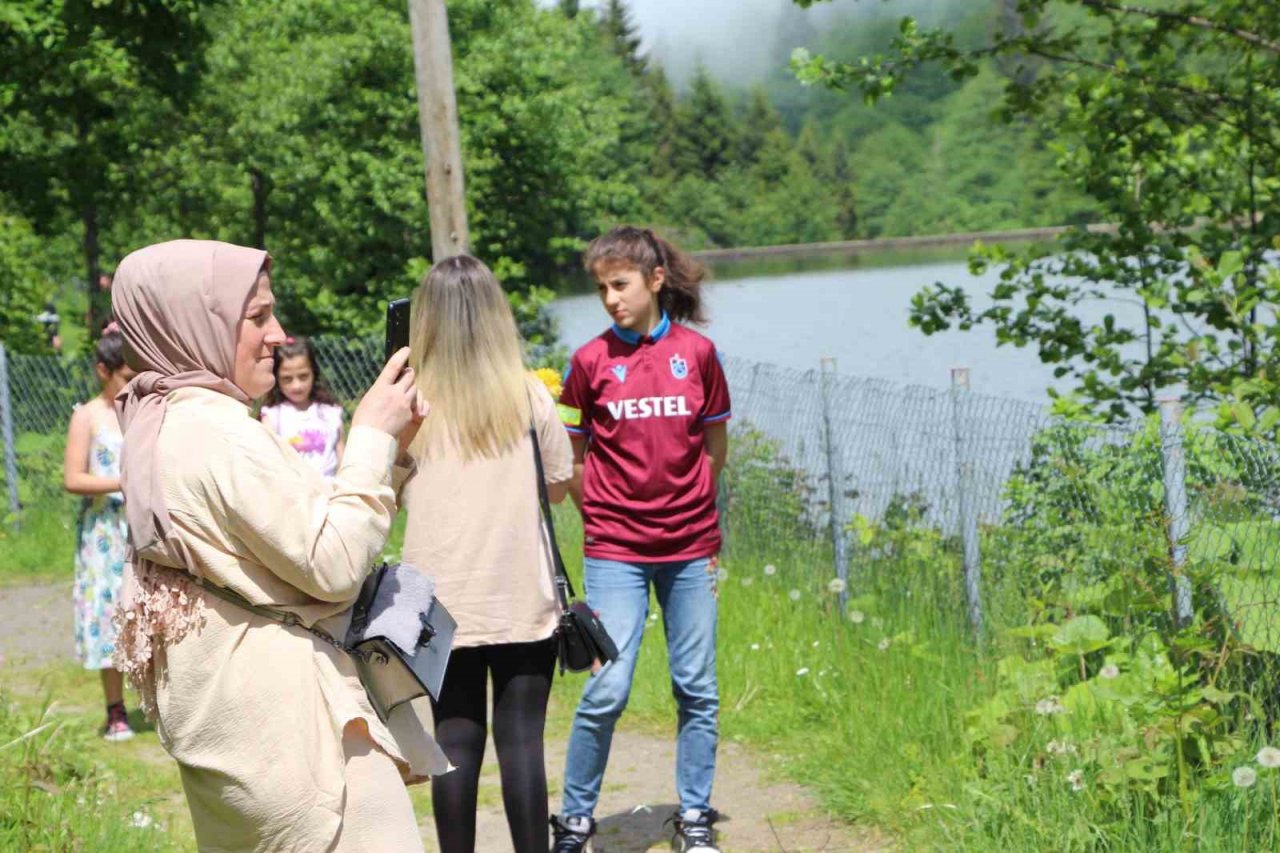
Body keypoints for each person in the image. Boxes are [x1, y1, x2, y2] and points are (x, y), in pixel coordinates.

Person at [109, 239, 446, 852]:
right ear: (195, 321)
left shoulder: (156, 423)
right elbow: (335, 563)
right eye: (258, 316)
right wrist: (370, 435)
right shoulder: (217, 433)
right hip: (310, 755)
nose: (279, 335)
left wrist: (390, 454)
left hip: (240, 746)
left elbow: (280, 544)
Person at [552, 227, 731, 853]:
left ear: (655, 281)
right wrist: (600, 511)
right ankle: (575, 820)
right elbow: (570, 454)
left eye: (620, 284)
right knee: (607, 687)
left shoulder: (699, 355)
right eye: (601, 287)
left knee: (697, 686)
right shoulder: (589, 362)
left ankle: (696, 817)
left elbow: (714, 450)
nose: (609, 299)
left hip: (690, 549)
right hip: (615, 550)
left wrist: (689, 513)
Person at [399, 255, 573, 853]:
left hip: (438, 605)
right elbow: (557, 484)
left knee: (453, 740)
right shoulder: (529, 396)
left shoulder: (407, 404)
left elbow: (381, 489)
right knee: (523, 744)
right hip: (522, 594)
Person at [63, 329, 136, 740]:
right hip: (105, 534)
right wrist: (122, 483)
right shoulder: (87, 416)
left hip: (143, 530)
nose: (131, 385)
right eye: (124, 378)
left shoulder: (140, 411)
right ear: (102, 371)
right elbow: (73, 477)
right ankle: (115, 709)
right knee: (110, 617)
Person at [260, 335, 346, 478]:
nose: (297, 385)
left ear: (314, 373)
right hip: (292, 494)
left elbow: (342, 457)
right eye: (287, 378)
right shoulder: (272, 416)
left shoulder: (331, 413)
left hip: (329, 492)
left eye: (303, 376)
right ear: (276, 377)